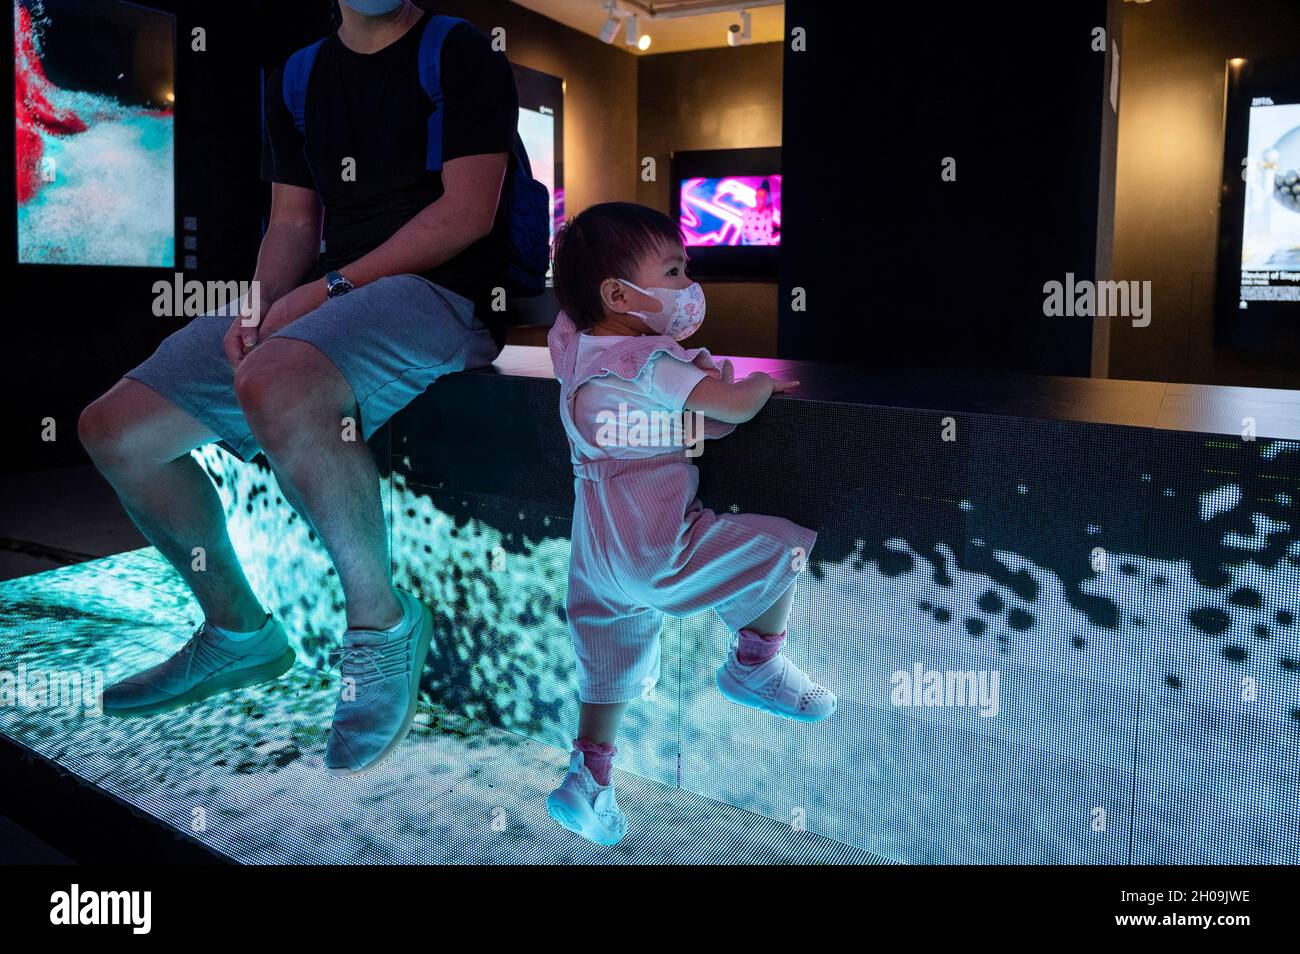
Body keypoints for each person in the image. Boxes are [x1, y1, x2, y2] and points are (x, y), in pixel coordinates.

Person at [76, 0, 519, 776]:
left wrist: (321, 295)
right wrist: (257, 307)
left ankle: (382, 626)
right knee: (114, 428)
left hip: (444, 294)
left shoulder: (459, 52)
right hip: (336, 294)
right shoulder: (296, 73)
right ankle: (239, 631)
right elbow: (291, 223)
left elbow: (466, 215)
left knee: (276, 378)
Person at [543, 202, 836, 845]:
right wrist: (757, 381)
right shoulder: (646, 363)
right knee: (781, 551)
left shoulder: (576, 351)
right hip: (654, 544)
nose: (688, 286)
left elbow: (571, 321)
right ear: (618, 293)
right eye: (674, 271)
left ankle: (588, 776)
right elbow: (731, 411)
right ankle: (754, 662)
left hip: (595, 545)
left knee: (607, 665)